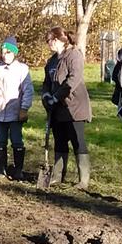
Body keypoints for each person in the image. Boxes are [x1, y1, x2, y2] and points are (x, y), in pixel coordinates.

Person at [42, 27, 93, 189]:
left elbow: (73, 79)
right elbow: (46, 82)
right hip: (57, 108)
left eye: (49, 41)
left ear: (57, 40)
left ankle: (83, 181)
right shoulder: (52, 60)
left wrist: (56, 96)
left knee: (78, 142)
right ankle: (57, 176)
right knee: (60, 141)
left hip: (75, 107)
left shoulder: (74, 55)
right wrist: (46, 96)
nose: (48, 44)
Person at [0, 37, 35, 180]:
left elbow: (28, 91)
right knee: (0, 141)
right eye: (2, 52)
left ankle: (18, 169)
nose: (4, 55)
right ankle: (2, 169)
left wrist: (24, 108)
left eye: (7, 52)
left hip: (15, 112)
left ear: (14, 53)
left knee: (16, 140)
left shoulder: (22, 69)